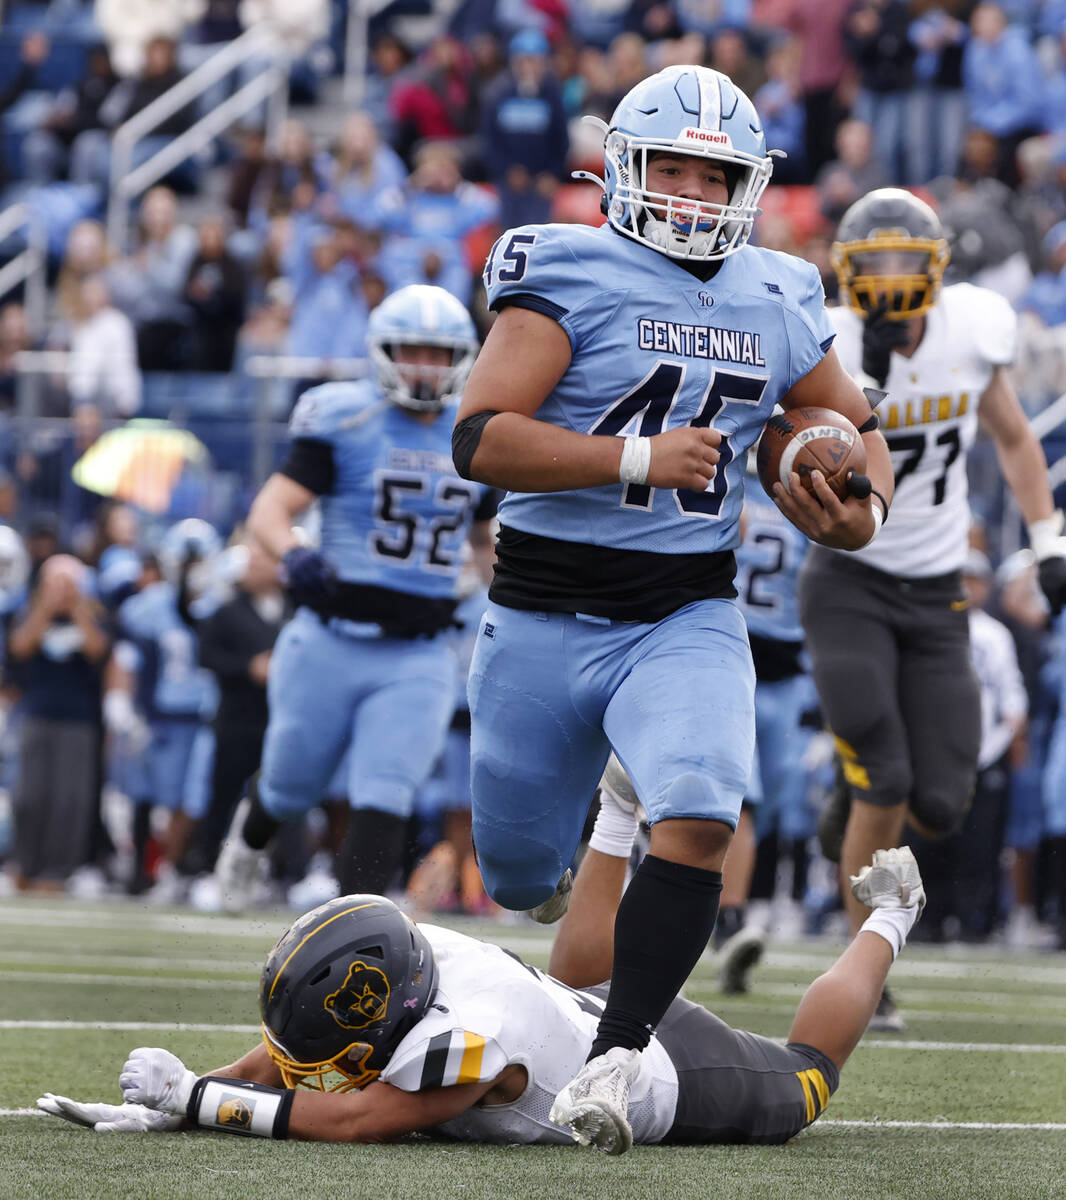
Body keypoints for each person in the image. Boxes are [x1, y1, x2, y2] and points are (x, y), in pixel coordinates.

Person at [449, 63, 894, 1154]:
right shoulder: (567, 265)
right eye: (676, 168)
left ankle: (616, 1055)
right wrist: (632, 455)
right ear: (624, 170)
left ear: (749, 185)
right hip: (543, 610)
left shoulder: (777, 290)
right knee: (514, 882)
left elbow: (848, 427)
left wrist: (854, 509)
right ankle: (607, 815)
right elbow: (478, 436)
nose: (694, 194)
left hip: (683, 610)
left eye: (717, 175)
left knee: (699, 815)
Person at [34, 840, 928, 1148]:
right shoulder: (420, 957)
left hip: (669, 1071)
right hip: (574, 1014)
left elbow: (358, 1121)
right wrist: (207, 1087)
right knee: (577, 975)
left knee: (807, 1079)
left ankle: (892, 914)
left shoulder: (467, 1038)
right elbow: (298, 1054)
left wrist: (200, 1102)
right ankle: (614, 824)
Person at [804, 186, 1066, 1028]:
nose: (884, 280)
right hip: (848, 580)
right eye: (868, 263)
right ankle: (864, 974)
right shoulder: (825, 343)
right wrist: (864, 382)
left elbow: (1016, 437)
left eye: (901, 262)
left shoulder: (971, 328)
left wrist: (1047, 538)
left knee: (943, 799)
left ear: (938, 268)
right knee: (885, 769)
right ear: (844, 272)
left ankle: (847, 811)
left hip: (938, 585)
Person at [213, 284, 496, 915]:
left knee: (387, 788)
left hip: (419, 650)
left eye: (437, 352)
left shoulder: (474, 431)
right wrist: (292, 553)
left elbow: (484, 542)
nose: (424, 366)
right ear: (383, 353)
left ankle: (355, 931)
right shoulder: (345, 415)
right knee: (289, 783)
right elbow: (272, 506)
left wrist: (515, 588)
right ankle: (246, 842)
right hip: (329, 636)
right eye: (412, 351)